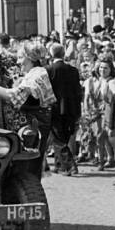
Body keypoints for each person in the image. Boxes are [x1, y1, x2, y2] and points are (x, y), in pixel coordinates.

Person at [0, 41, 56, 178]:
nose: (18, 61)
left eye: (21, 58)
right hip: (36, 121)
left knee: (29, 170)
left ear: (29, 58)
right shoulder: (34, 72)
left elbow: (12, 96)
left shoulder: (37, 75)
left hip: (36, 124)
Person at [46, 43, 83, 175]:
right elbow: (78, 91)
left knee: (59, 138)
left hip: (55, 108)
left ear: (51, 54)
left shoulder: (49, 70)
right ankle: (59, 164)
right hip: (71, 107)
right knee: (64, 137)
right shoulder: (73, 70)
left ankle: (70, 165)